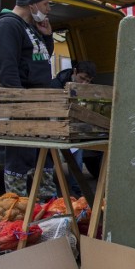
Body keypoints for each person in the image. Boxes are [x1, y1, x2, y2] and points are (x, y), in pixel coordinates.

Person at [0, 0, 57, 199]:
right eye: (45, 4)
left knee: (42, 158)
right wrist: (21, 108)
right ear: (32, 4)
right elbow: (7, 71)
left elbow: (41, 58)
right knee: (21, 159)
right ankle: (17, 209)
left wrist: (47, 36)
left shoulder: (31, 28)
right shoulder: (8, 25)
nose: (48, 8)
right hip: (24, 110)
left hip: (38, 108)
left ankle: (46, 208)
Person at [51, 61, 97, 196]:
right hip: (56, 128)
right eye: (82, 78)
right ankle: (54, 196)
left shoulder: (89, 89)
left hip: (75, 129)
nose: (84, 83)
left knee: (77, 161)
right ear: (75, 72)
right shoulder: (56, 84)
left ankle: (76, 193)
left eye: (87, 81)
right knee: (51, 163)